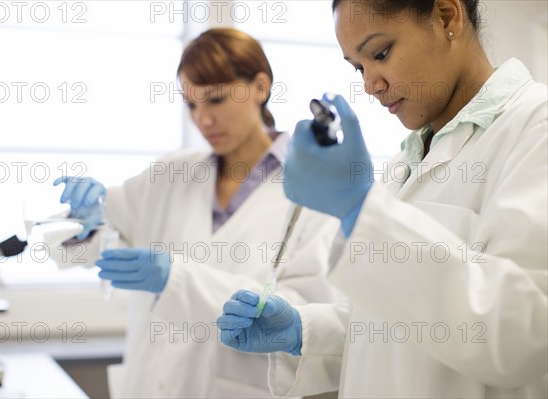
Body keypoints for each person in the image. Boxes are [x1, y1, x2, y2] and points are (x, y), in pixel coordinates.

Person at [217, 1, 547, 398]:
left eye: (380, 53)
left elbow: (522, 334)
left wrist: (361, 210)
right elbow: (390, 330)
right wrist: (303, 332)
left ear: (446, 16)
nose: (370, 83)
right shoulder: (403, 165)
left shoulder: (534, 130)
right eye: (358, 67)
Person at [53, 28, 340, 398]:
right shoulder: (169, 175)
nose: (203, 120)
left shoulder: (314, 193)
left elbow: (304, 317)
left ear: (260, 86)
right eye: (191, 105)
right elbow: (82, 248)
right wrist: (85, 220)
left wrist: (177, 279)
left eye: (216, 100)